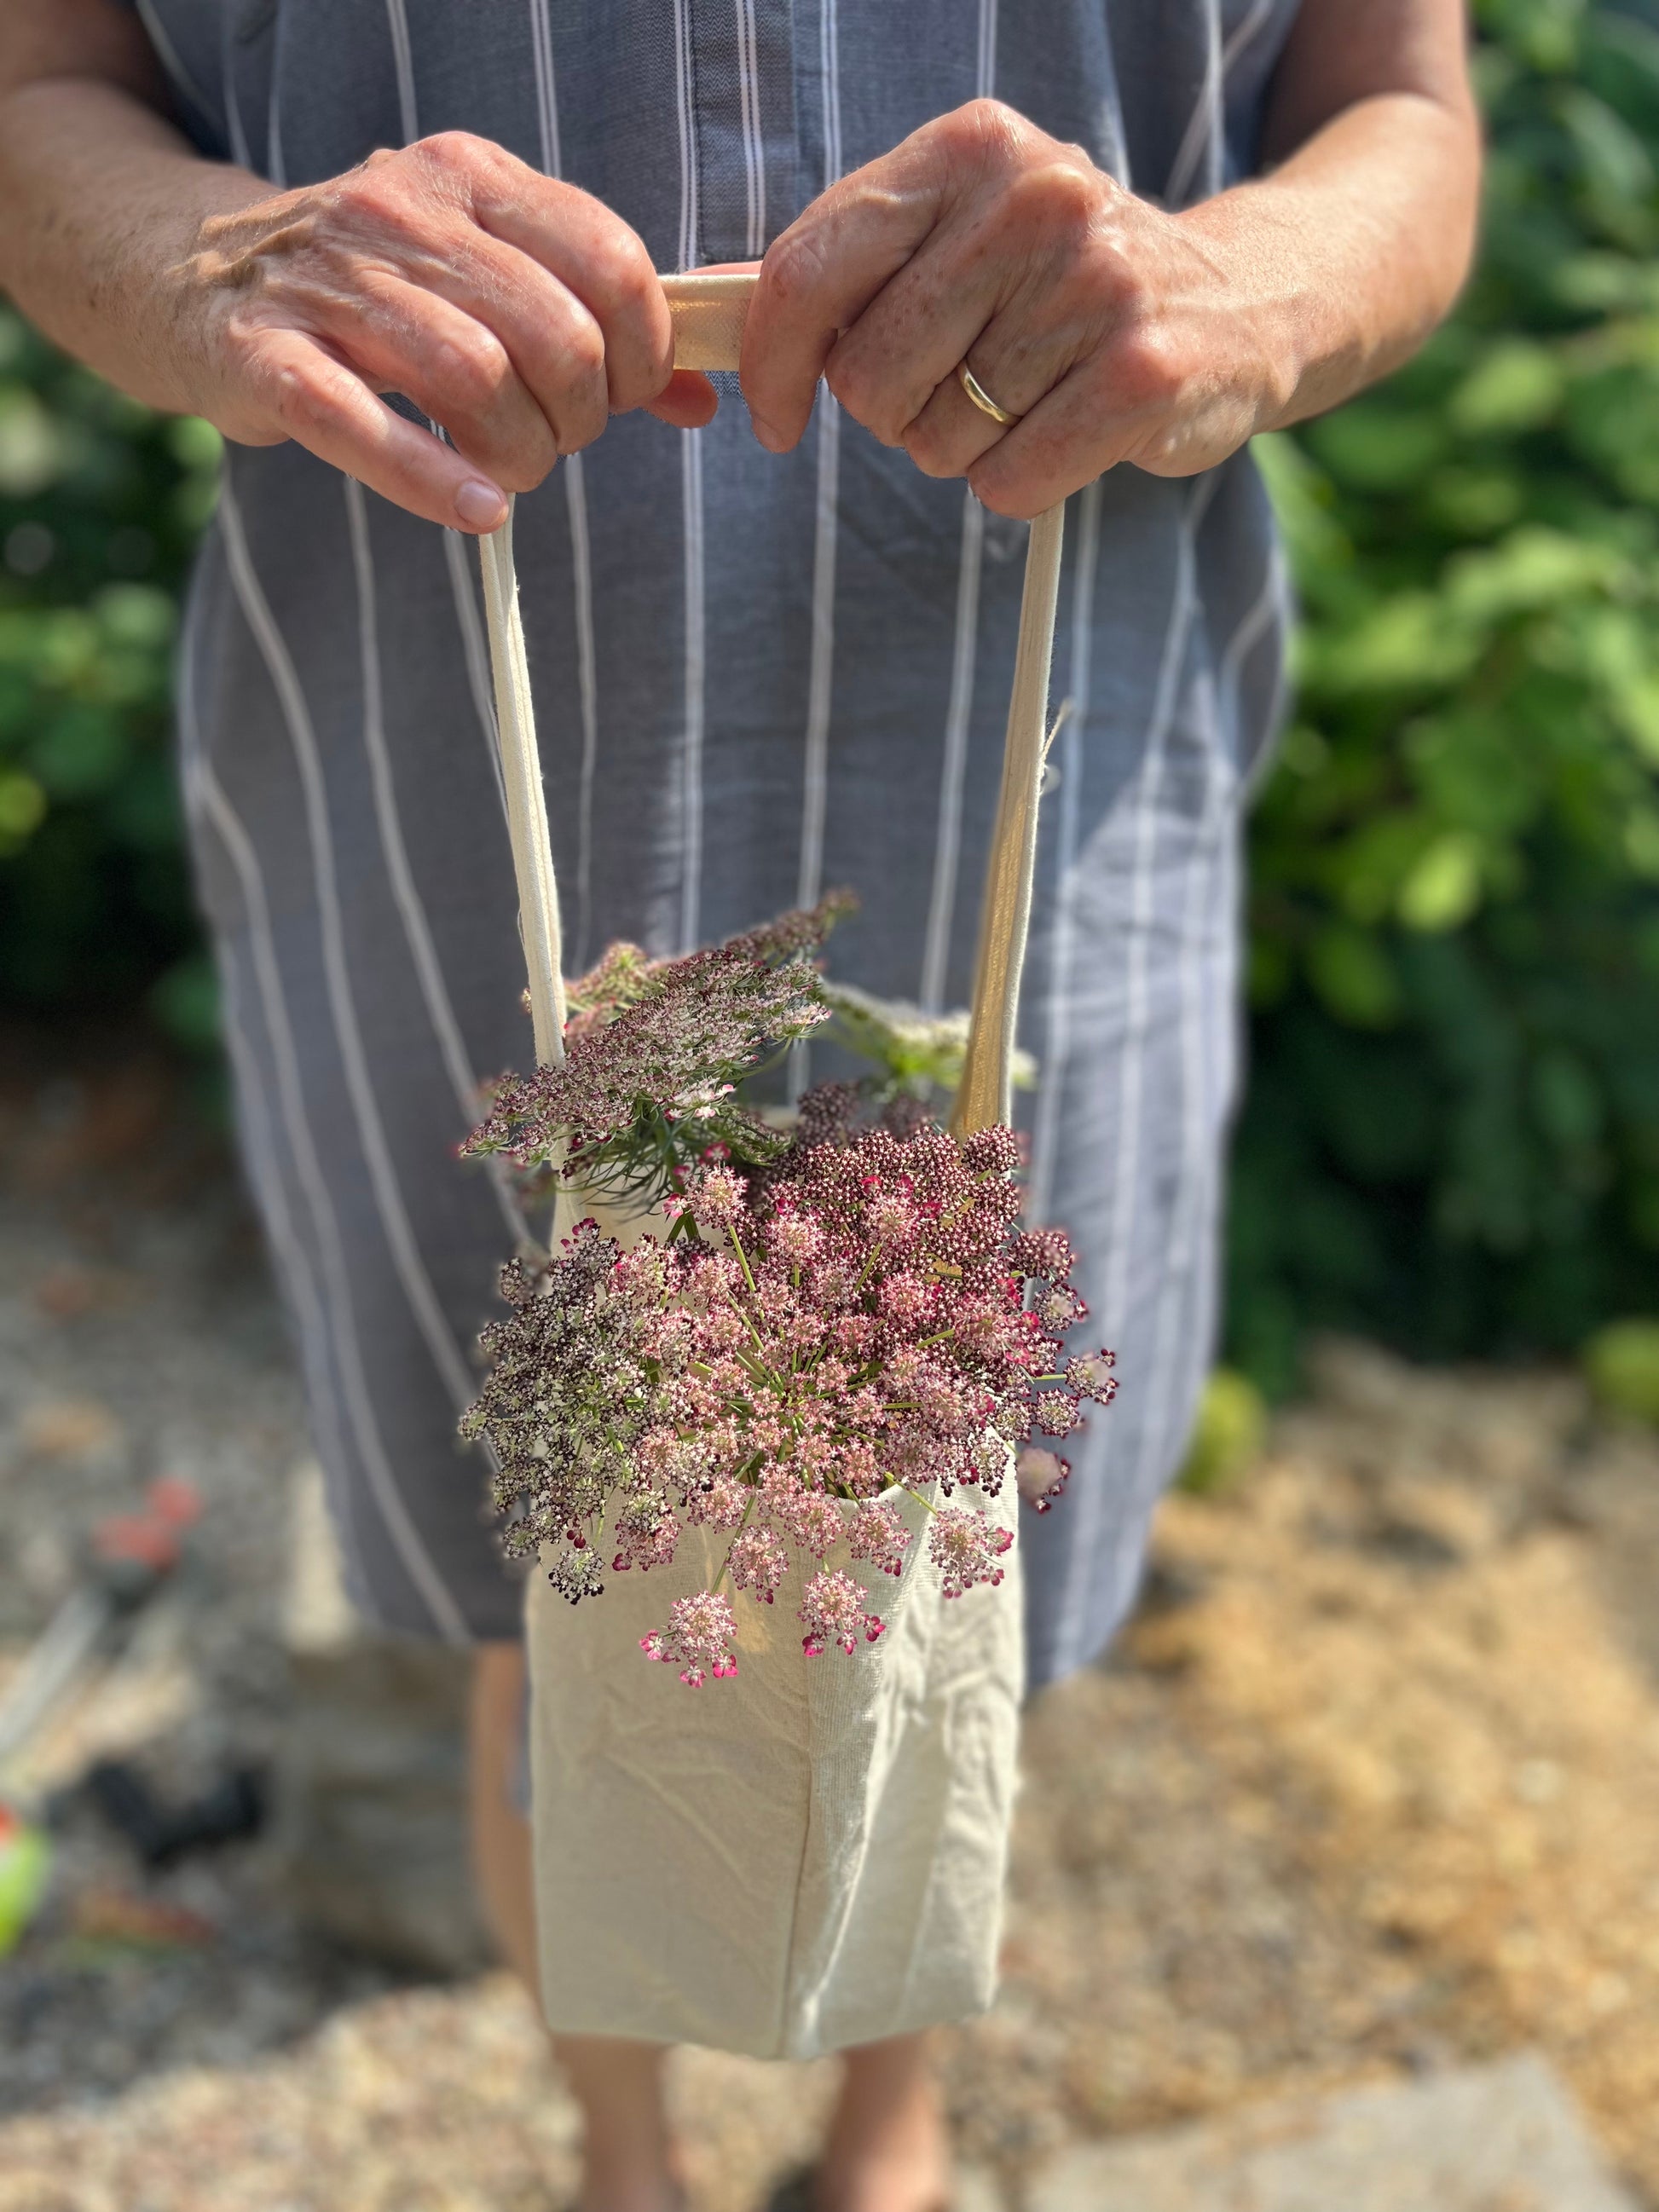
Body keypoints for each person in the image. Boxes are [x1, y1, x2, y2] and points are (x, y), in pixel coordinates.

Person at [0, 5, 1479, 2209]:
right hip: (442, 745)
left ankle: (888, 2125)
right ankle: (628, 2156)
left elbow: (1393, 109)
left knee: (937, 1574)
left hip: (1028, 754)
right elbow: (44, 83)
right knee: (564, 1605)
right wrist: (215, 260)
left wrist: (1230, 288)